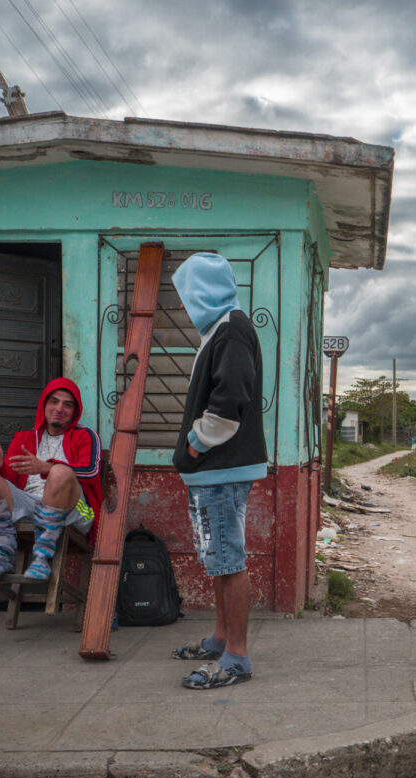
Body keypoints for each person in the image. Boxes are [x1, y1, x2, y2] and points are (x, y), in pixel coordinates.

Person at [168, 252, 267, 690]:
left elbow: (230, 402)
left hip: (221, 466)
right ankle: (221, 639)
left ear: (201, 290)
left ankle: (237, 657)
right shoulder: (221, 329)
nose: (187, 305)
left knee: (228, 559)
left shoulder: (231, 329)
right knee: (219, 559)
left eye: (188, 294)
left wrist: (195, 442)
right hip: (214, 469)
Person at [0, 377, 101, 581]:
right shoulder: (24, 438)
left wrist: (46, 467)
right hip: (31, 505)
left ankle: (41, 559)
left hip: (76, 509)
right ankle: (1, 555)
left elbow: (91, 472)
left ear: (75, 411)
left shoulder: (85, 435)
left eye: (67, 404)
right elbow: (11, 478)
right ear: (44, 405)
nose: (59, 408)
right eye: (54, 401)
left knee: (60, 472)